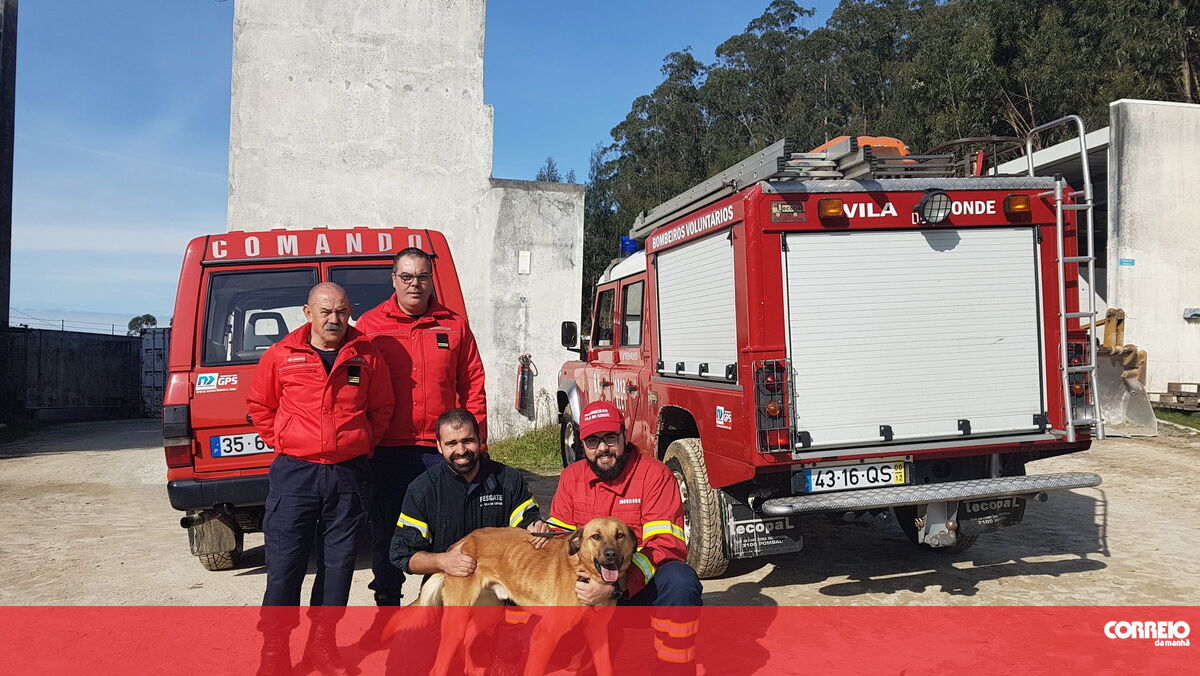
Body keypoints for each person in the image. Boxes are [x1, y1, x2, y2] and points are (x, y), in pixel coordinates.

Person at [246, 282, 394, 676]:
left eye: (342, 312)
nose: (335, 319)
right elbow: (260, 406)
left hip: (348, 473)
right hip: (296, 474)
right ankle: (274, 652)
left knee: (338, 565)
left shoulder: (366, 355)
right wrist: (284, 440)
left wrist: (359, 443)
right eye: (326, 312)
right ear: (308, 314)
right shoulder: (281, 355)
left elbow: (382, 409)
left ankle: (322, 645)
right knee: (285, 564)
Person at [354, 247, 488, 648]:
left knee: (447, 530)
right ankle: (387, 614)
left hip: (440, 451)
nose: (415, 284)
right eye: (407, 277)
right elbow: (356, 386)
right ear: (393, 280)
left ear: (432, 279)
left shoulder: (454, 324)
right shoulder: (370, 325)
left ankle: (436, 612)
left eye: (422, 277)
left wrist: (474, 440)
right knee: (388, 532)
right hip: (388, 448)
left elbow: (473, 384)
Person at [543, 400, 702, 673]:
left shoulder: (655, 476)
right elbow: (561, 542)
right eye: (592, 441)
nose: (603, 448)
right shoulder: (571, 478)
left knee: (680, 581)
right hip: (586, 590)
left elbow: (665, 546)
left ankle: (672, 667)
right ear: (582, 445)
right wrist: (542, 534)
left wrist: (616, 588)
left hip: (637, 587)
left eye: (610, 438)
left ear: (624, 435)